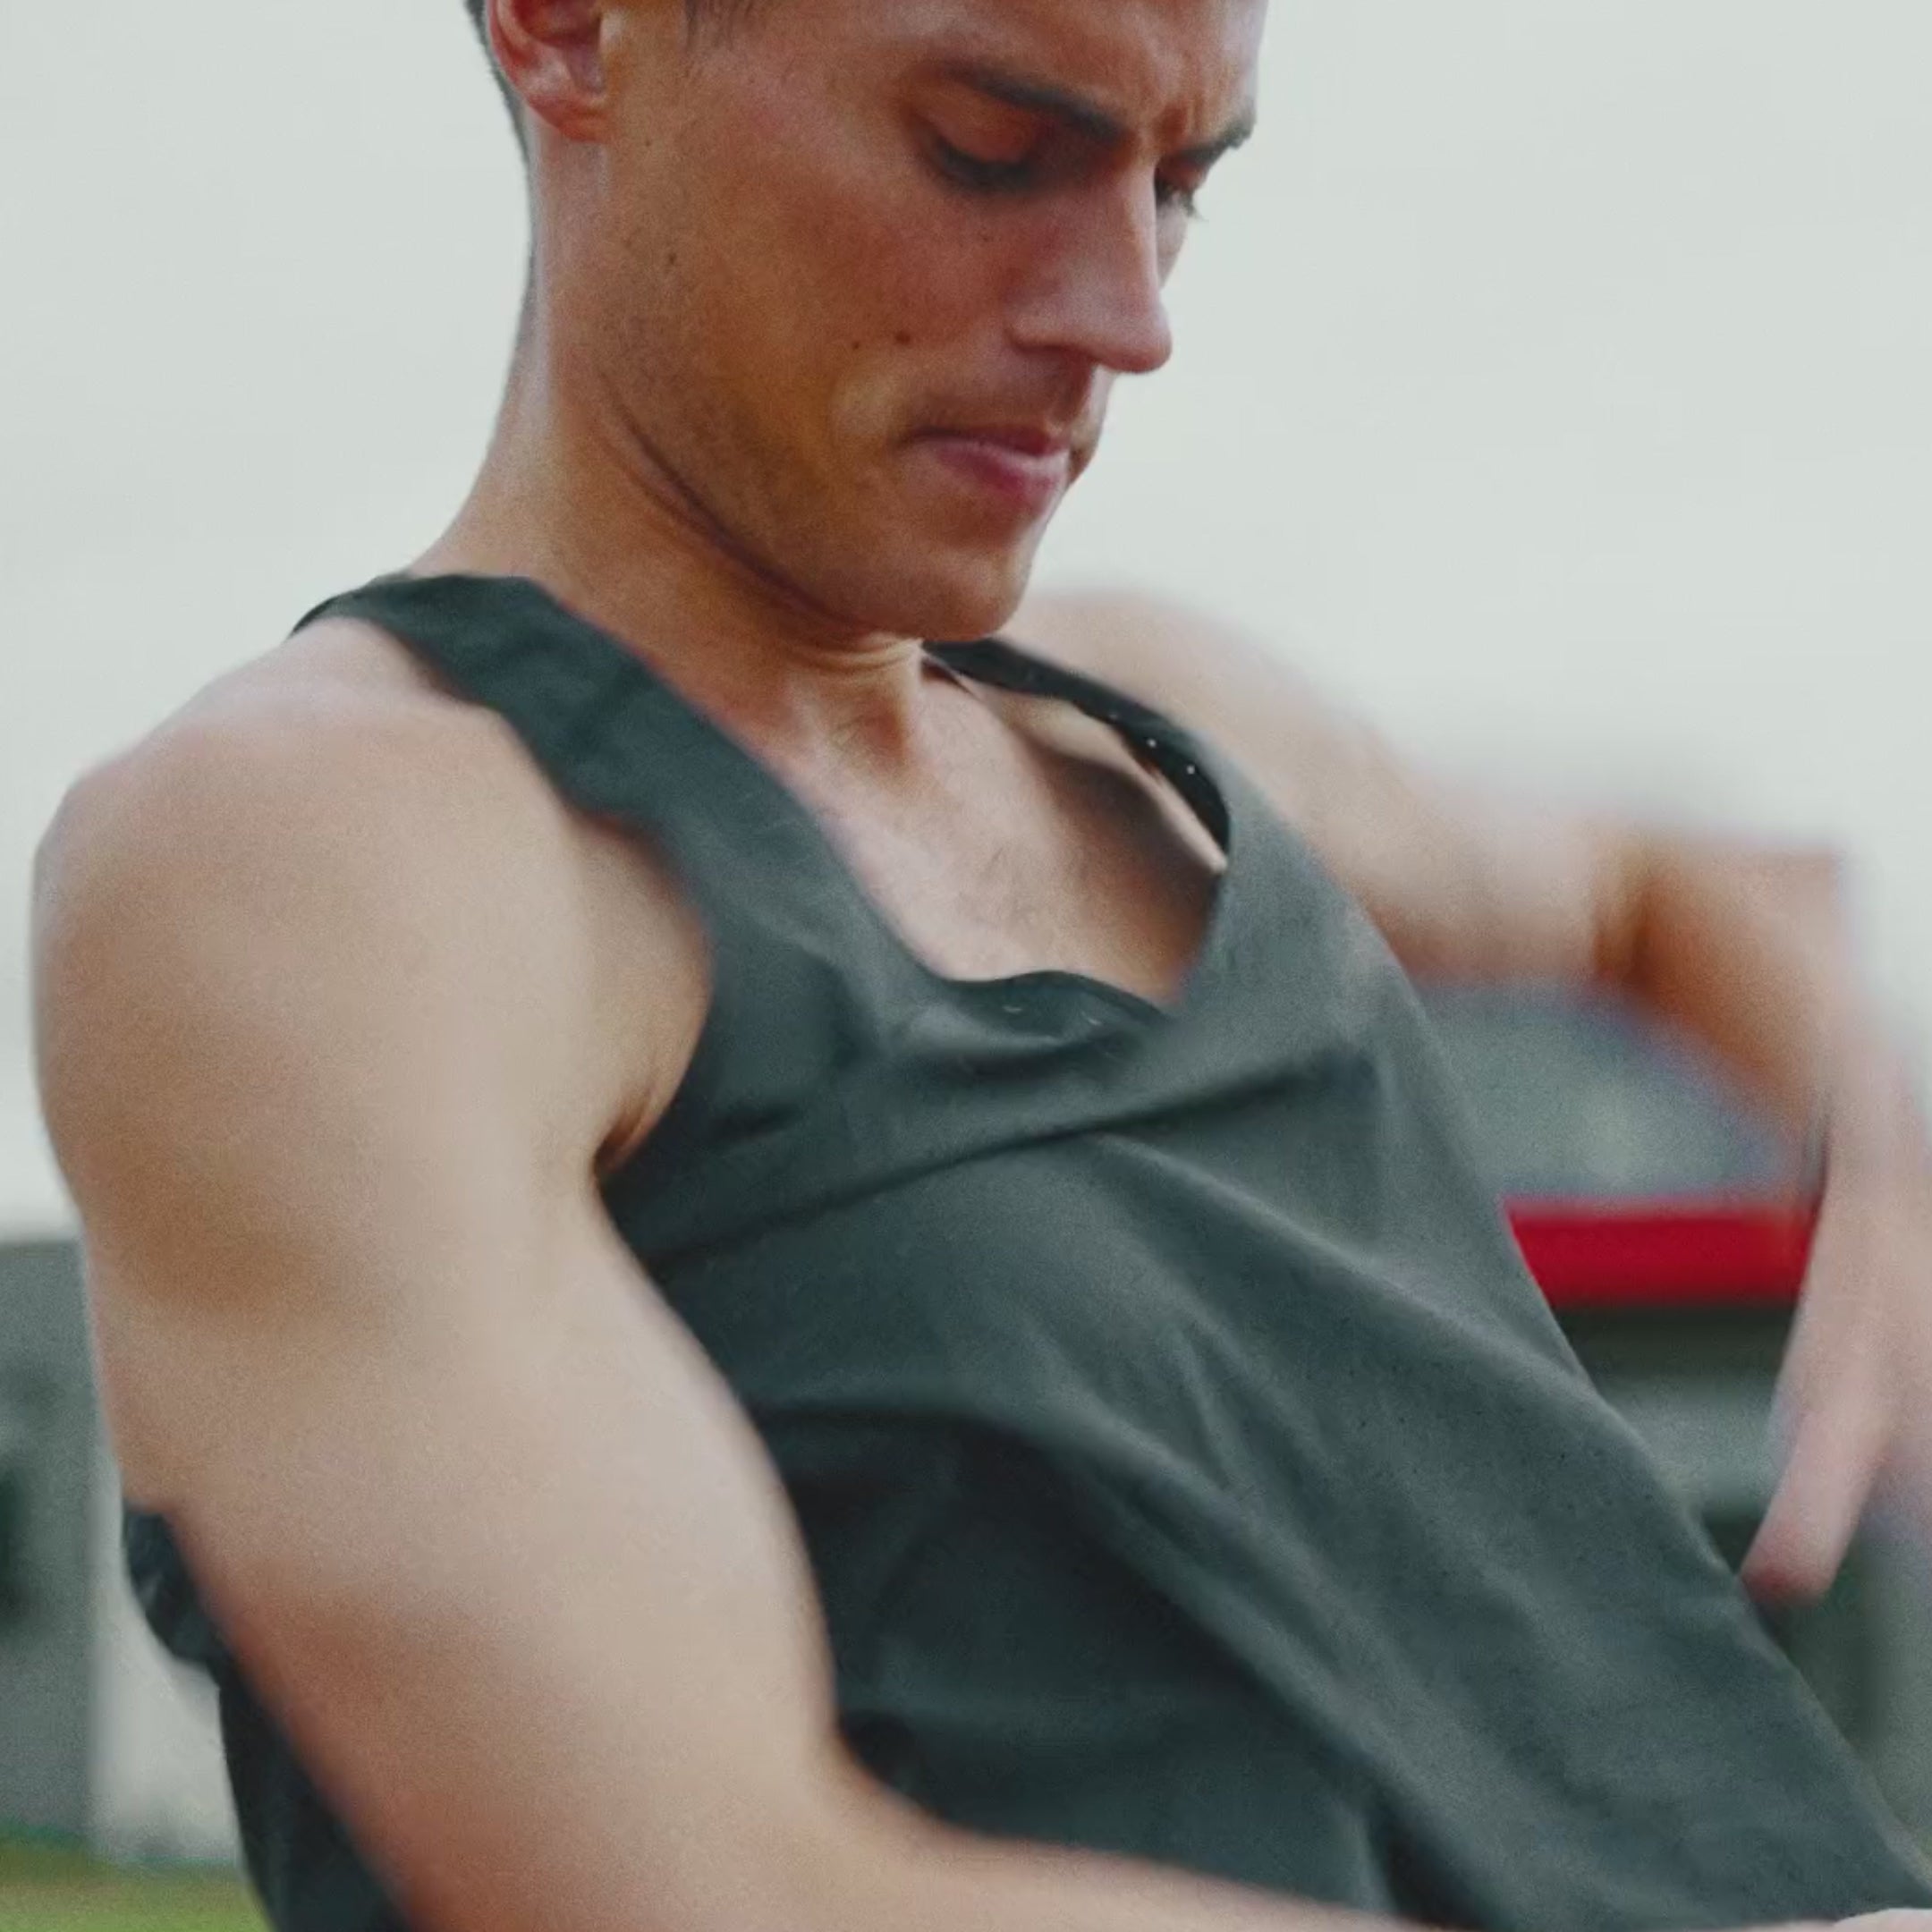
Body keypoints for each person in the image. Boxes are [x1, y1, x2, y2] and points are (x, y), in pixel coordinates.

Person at [27, 1, 1932, 1928]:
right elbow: (707, 1891)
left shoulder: (1151, 720)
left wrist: (1891, 1145)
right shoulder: (325, 856)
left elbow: (1660, 894)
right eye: (990, 152)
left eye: (1178, 185)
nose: (1132, 319)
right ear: (574, 30)